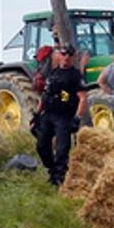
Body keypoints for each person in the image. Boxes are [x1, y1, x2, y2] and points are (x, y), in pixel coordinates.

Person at [35, 44, 87, 184]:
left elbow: (83, 98)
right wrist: (37, 114)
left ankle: (59, 178)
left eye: (69, 55)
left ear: (73, 57)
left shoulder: (76, 76)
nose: (66, 58)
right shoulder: (53, 73)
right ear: (59, 55)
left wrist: (77, 118)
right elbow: (44, 95)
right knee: (41, 145)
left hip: (64, 116)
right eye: (63, 54)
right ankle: (51, 168)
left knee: (62, 149)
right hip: (48, 114)